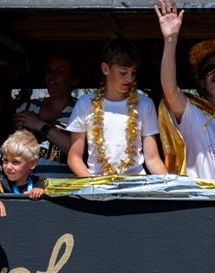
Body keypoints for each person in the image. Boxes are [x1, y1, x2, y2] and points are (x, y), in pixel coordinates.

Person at [155, 0, 215, 179]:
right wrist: (170, 40)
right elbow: (169, 90)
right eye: (210, 69)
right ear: (201, 82)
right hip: (195, 200)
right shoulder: (193, 113)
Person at [66, 39, 166, 177]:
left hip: (135, 187)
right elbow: (74, 158)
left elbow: (153, 159)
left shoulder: (145, 104)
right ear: (105, 69)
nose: (130, 79)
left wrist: (169, 185)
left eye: (133, 72)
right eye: (123, 72)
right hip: (97, 187)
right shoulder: (85, 103)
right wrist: (93, 185)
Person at [13, 54, 79, 167]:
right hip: (30, 183)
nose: (52, 76)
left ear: (74, 79)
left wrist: (40, 125)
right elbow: (13, 151)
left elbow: (77, 151)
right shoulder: (27, 107)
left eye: (60, 71)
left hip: (68, 184)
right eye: (49, 71)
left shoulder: (80, 109)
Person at [0, 130, 47, 217]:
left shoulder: (41, 183)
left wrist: (44, 192)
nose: (8, 167)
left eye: (15, 162)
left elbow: (61, 191)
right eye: (5, 160)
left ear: (32, 164)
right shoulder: (1, 184)